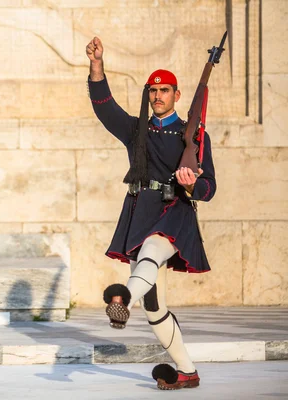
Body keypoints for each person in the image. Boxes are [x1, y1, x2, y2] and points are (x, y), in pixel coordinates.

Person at [85, 36, 216, 390]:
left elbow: (209, 190)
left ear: (176, 94)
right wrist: (97, 66)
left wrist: (191, 185)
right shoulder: (136, 131)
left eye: (165, 90)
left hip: (174, 213)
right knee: (156, 308)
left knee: (154, 248)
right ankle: (187, 371)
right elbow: (104, 107)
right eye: (153, 90)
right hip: (141, 212)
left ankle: (122, 299)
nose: (158, 96)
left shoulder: (193, 135)